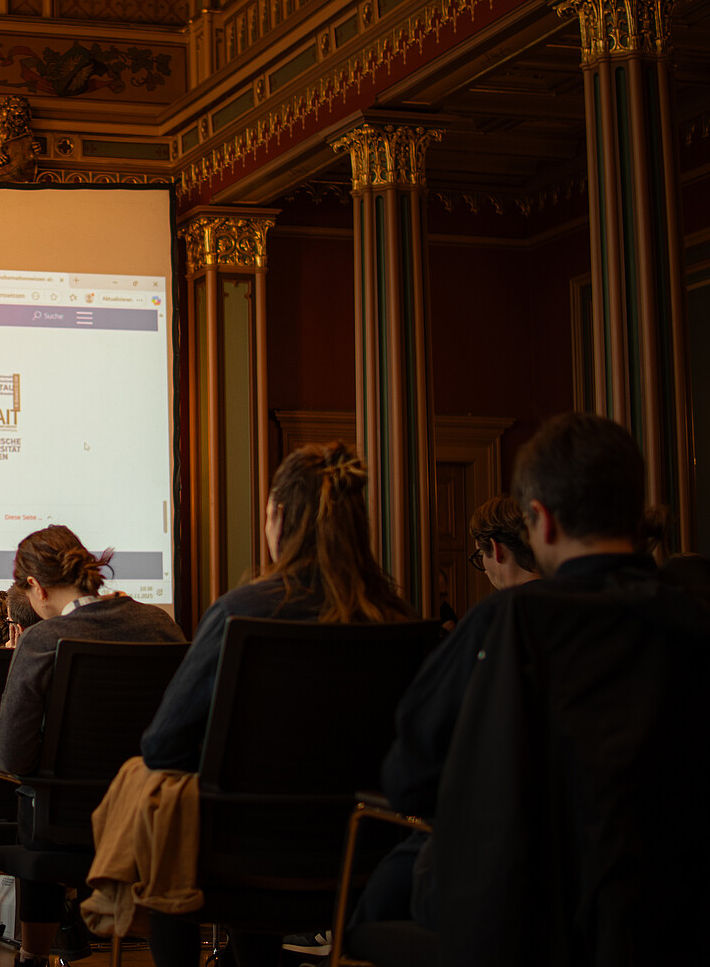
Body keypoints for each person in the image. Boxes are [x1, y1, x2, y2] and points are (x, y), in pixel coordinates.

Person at [369, 412, 707, 936]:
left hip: (522, 926)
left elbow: (408, 780)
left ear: (542, 522)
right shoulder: (692, 617)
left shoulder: (503, 623)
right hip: (674, 925)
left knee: (380, 900)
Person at [139, 442, 411, 967]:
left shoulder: (241, 612)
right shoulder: (398, 619)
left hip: (238, 858)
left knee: (165, 823)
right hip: (365, 859)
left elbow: (162, 746)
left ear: (278, 517)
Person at [0, 525, 185, 966]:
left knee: (32, 793)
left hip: (64, 824)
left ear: (36, 587)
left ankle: (32, 957)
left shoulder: (41, 640)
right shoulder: (161, 625)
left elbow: (13, 755)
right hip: (151, 818)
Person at [466, 493, 540, 596]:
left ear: (497, 550)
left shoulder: (497, 606)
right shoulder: (563, 594)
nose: (485, 572)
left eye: (481, 553)